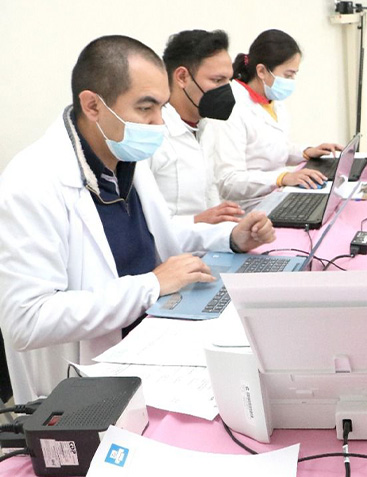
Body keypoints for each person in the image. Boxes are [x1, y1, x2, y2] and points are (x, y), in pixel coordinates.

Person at [0, 35, 276, 403]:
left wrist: (228, 238)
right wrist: (150, 285)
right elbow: (27, 321)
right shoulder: (32, 182)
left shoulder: (124, 158)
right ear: (93, 105)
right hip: (87, 385)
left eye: (162, 106)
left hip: (154, 339)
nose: (159, 122)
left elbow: (155, 236)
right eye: (146, 108)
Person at [200, 29, 341, 210]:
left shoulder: (271, 100)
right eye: (288, 75)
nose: (291, 81)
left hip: (276, 196)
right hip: (248, 208)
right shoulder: (231, 107)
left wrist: (306, 152)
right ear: (261, 71)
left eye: (294, 75)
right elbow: (228, 181)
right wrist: (281, 178)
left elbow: (273, 149)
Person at [149, 29, 244, 225]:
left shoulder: (205, 126)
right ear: (182, 77)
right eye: (218, 80)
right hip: (169, 252)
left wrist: (229, 224)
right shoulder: (153, 136)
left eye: (229, 80)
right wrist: (197, 221)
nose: (227, 90)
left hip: (205, 246)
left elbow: (209, 193)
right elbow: (143, 223)